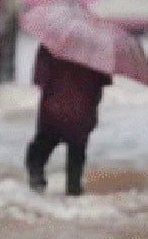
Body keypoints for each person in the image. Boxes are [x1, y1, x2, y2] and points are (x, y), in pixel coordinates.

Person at [25, 45, 112, 196]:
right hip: (82, 114)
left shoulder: (50, 45)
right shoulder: (98, 49)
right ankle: (74, 195)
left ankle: (37, 185)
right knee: (76, 162)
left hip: (53, 112)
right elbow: (104, 80)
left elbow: (39, 79)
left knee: (38, 155)